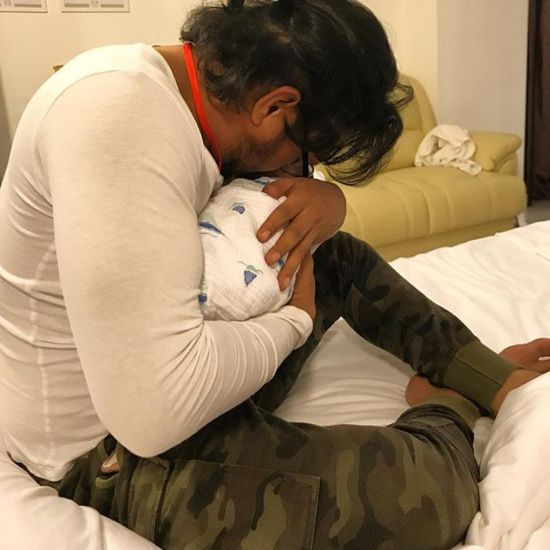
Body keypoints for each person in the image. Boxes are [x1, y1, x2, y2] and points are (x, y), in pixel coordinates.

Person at [1, 0, 549, 548]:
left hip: (164, 371)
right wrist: (293, 322)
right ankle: (446, 403)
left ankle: (491, 378)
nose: (302, 172)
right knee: (427, 498)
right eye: (308, 156)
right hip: (106, 448)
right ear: (274, 106)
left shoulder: (184, 94)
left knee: (329, 254)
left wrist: (329, 202)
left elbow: (236, 220)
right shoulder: (117, 120)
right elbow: (154, 413)